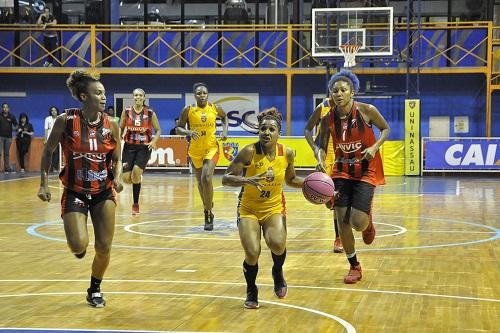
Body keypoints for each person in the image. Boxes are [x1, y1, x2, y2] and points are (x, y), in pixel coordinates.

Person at [37, 69, 123, 307]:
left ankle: (94, 289)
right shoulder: (66, 120)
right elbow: (48, 150)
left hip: (103, 190)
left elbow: (116, 157)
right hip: (75, 190)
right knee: (78, 246)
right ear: (84, 96)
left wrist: (117, 177)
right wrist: (44, 182)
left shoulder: (112, 125)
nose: (104, 97)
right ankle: (79, 245)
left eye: (104, 92)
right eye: (98, 93)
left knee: (104, 246)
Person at [222, 107, 304, 309]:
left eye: (271, 129)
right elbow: (225, 178)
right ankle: (251, 289)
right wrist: (246, 180)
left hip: (273, 207)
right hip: (248, 208)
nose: (266, 132)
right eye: (263, 129)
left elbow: (291, 180)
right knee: (252, 253)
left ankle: (277, 271)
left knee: (277, 244)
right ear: (258, 131)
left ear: (279, 133)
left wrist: (312, 182)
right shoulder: (249, 151)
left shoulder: (287, 153)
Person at [317, 69, 390, 284]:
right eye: (335, 90)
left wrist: (375, 146)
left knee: (358, 222)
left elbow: (385, 129)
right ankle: (354, 266)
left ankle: (368, 224)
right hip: (341, 171)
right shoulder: (327, 119)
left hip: (366, 169)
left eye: (343, 90)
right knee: (342, 221)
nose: (338, 93)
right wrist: (320, 159)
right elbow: (321, 147)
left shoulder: (367, 111)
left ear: (352, 93)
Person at [176, 82, 228, 231]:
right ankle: (207, 204)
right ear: (195, 95)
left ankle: (208, 214)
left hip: (211, 148)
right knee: (200, 182)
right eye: (199, 93)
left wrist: (225, 132)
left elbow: (225, 118)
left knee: (206, 178)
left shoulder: (215, 108)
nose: (202, 95)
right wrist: (188, 132)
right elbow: (178, 128)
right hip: (195, 150)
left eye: (204, 93)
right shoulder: (189, 110)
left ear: (208, 94)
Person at [304, 97, 343, 253]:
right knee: (329, 201)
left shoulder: (350, 108)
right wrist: (314, 148)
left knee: (338, 202)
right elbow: (307, 129)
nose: (338, 94)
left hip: (343, 155)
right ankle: (339, 234)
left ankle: (338, 238)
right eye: (334, 90)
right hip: (326, 156)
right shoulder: (323, 107)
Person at [120, 88, 161, 215]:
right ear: (133, 97)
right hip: (129, 146)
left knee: (136, 172)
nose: (138, 97)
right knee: (127, 179)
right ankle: (137, 178)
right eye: (135, 95)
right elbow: (121, 127)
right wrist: (117, 140)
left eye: (140, 95)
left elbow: (158, 130)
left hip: (144, 147)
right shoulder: (126, 111)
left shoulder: (149, 112)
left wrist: (154, 142)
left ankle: (135, 204)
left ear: (144, 98)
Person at [0, 102, 18, 174]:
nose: (5, 108)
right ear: (2, 108)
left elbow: (16, 125)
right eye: (4, 107)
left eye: (6, 107)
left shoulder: (12, 116)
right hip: (0, 137)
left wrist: (13, 129)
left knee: (6, 153)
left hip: (9, 137)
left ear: (8, 108)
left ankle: (6, 169)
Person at [44, 106, 60, 173]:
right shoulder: (47, 119)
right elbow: (46, 129)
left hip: (58, 138)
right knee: (50, 154)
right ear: (50, 112)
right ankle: (50, 168)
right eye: (52, 110)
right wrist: (45, 139)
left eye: (55, 110)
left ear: (57, 111)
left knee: (57, 153)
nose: (53, 111)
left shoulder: (60, 118)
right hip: (50, 139)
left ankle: (55, 167)